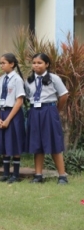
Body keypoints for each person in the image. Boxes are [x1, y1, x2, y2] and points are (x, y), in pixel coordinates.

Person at [25, 53, 69, 185]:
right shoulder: (29, 80)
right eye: (34, 63)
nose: (36, 65)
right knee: (37, 143)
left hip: (49, 111)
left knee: (54, 142)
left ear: (47, 64)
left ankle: (62, 176)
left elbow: (64, 95)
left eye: (39, 63)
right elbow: (27, 96)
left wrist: (56, 110)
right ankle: (38, 175)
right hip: (34, 111)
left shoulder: (54, 78)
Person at [0, 53, 26, 184]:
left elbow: (19, 101)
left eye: (4, 63)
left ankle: (16, 174)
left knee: (14, 142)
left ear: (12, 64)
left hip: (12, 113)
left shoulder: (17, 79)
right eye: (0, 63)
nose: (1, 65)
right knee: (3, 142)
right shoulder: (0, 79)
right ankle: (6, 172)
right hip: (1, 112)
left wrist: (8, 119)